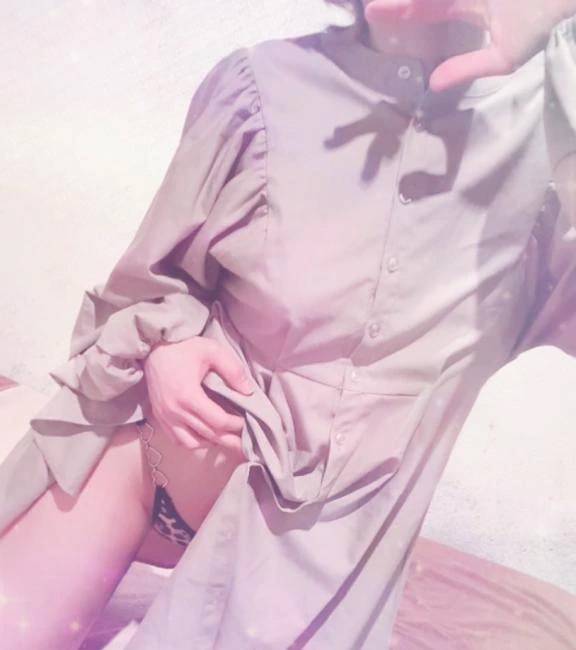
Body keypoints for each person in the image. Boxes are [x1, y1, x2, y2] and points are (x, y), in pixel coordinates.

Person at [1, 0, 575, 648]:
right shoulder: (260, 87)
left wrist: (559, 32)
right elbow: (148, 285)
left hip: (309, 568)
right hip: (149, 468)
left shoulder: (546, 141)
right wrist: (166, 348)